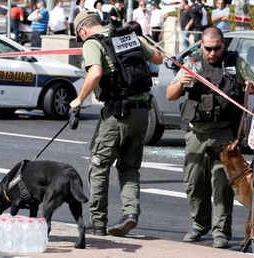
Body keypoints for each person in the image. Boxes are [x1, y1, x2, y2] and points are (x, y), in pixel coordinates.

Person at [166, 27, 254, 248]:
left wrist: (253, 86)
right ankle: (200, 224)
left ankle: (221, 232)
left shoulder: (235, 62)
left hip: (224, 133)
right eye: (208, 48)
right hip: (196, 133)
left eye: (217, 48)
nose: (212, 53)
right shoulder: (191, 63)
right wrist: (181, 81)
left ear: (223, 45)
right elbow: (170, 94)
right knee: (194, 182)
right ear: (201, 45)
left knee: (221, 184)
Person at [70, 10, 163, 237]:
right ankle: (130, 213)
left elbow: (95, 73)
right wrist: (139, 40)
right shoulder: (126, 36)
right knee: (129, 167)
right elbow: (158, 58)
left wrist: (78, 100)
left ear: (82, 29)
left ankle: (98, 223)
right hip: (142, 113)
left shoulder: (92, 42)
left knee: (99, 165)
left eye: (79, 35)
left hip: (117, 114)